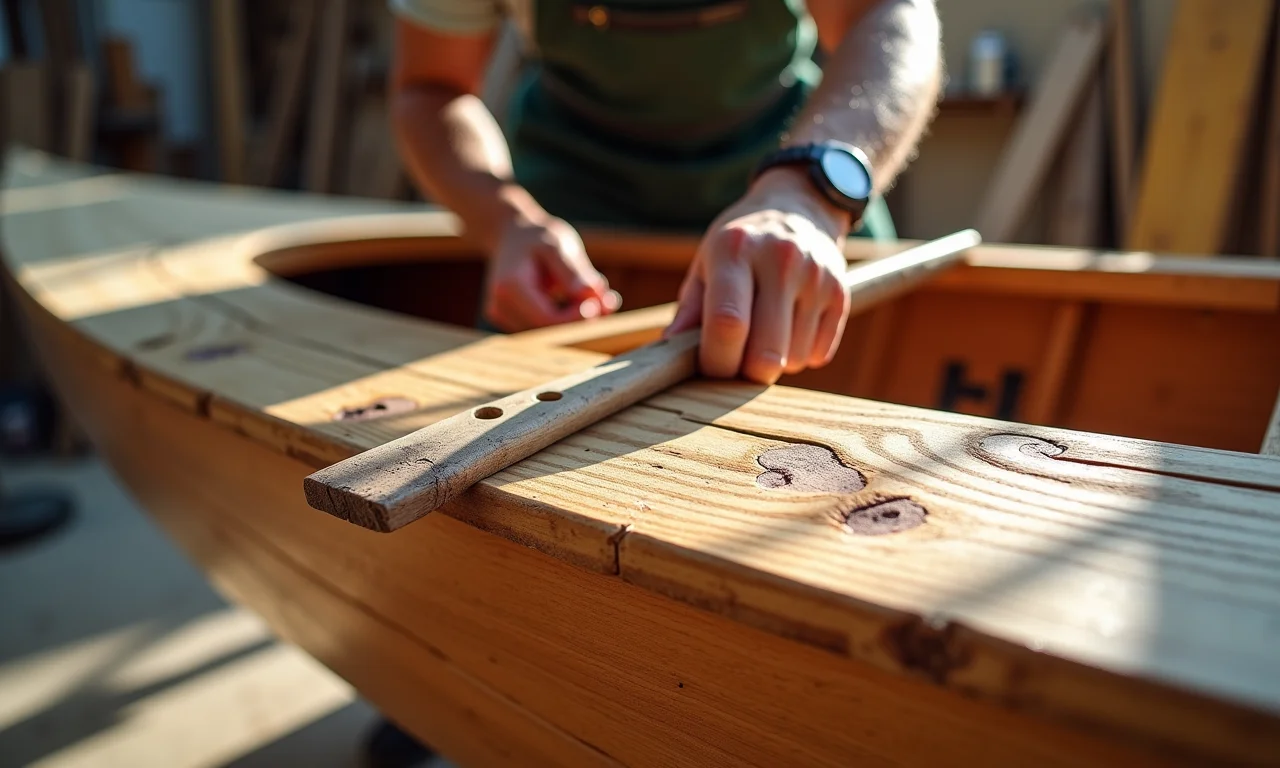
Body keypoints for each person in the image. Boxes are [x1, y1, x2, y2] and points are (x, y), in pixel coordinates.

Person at [369, 0, 941, 763]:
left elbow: (889, 14)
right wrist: (502, 219)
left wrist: (812, 187)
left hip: (794, 185)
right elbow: (431, 88)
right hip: (572, 210)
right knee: (498, 508)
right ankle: (460, 676)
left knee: (843, 494)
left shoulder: (806, 186)